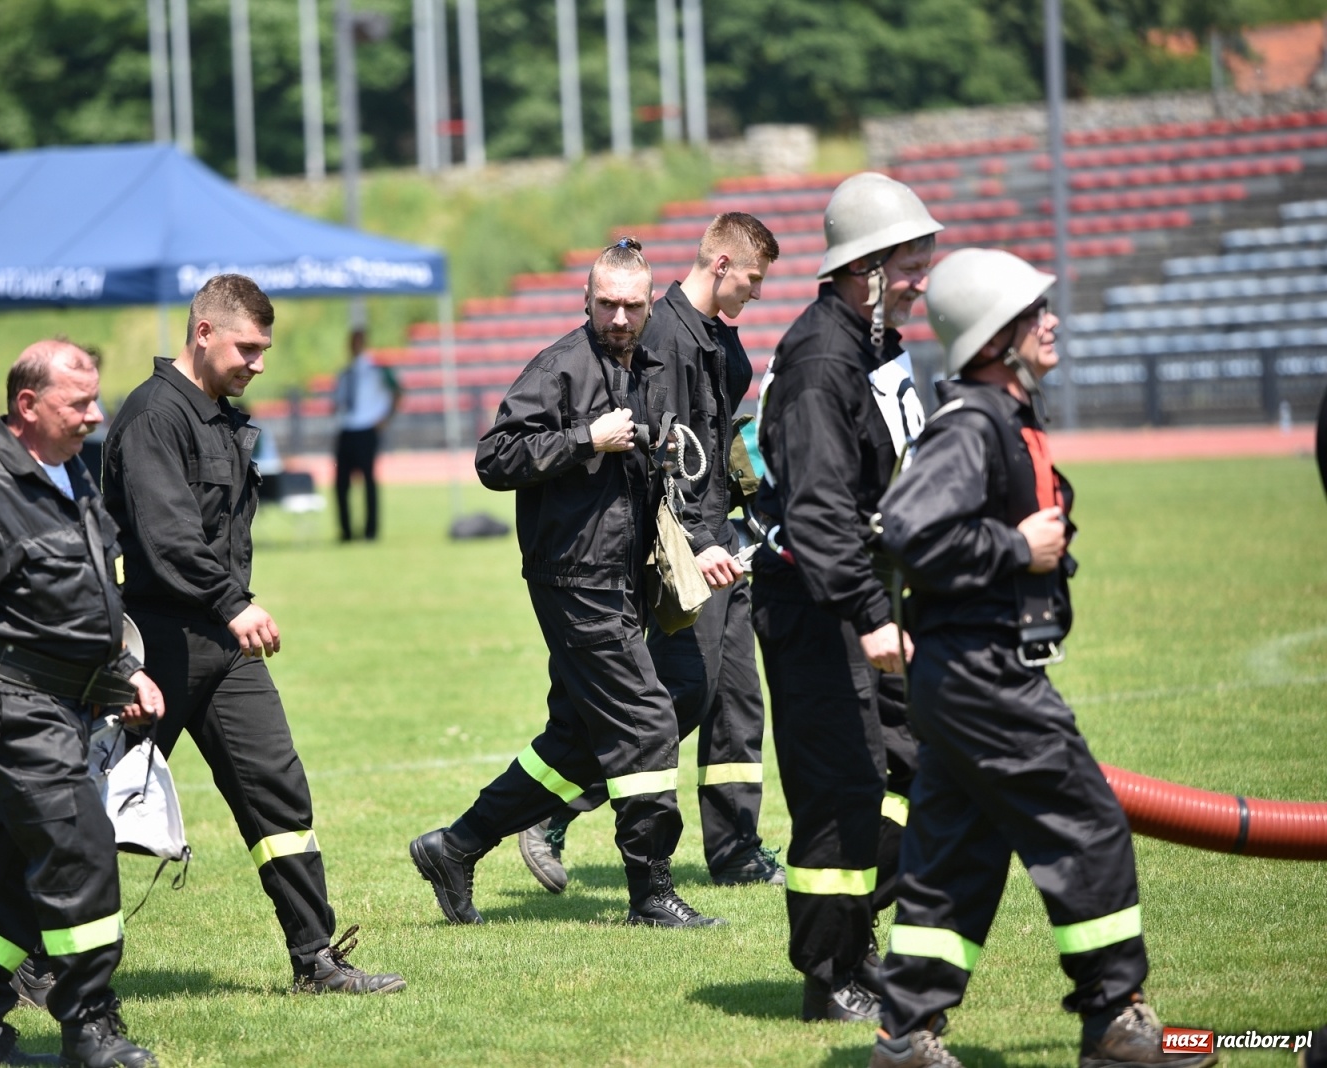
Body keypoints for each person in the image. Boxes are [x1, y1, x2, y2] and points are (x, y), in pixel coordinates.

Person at [869, 248, 1214, 1068]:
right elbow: (911, 529)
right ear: (994, 338)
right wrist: (1013, 545)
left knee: (955, 853)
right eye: (1033, 314)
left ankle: (903, 1037)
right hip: (985, 676)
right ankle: (1116, 1025)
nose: (1050, 322)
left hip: (961, 678)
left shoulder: (1006, 416)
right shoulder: (974, 422)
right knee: (1088, 824)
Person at [103, 274, 405, 995]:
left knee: (277, 792)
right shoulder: (154, 417)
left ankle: (316, 959)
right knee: (93, 801)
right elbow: (169, 539)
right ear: (202, 333)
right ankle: (17, 956)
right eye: (248, 347)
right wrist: (233, 603)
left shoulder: (219, 414)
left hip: (224, 644)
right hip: (157, 644)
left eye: (265, 349)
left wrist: (230, 611)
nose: (259, 363)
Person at [410, 239, 724, 930]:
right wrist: (585, 439)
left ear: (649, 306)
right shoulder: (558, 367)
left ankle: (454, 847)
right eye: (606, 303)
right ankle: (651, 893)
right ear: (586, 300)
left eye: (632, 305)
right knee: (648, 721)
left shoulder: (648, 365)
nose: (618, 317)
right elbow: (495, 459)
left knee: (578, 740)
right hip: (574, 579)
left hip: (624, 578)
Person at [0, 339, 161, 1067]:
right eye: (79, 404)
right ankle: (90, 1026)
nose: (95, 414)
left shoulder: (67, 470)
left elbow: (71, 602)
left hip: (67, 702)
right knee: (81, 852)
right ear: (27, 405)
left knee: (5, 869)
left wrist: (122, 674)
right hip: (11, 708)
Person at [517, 213, 786, 892]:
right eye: (753, 278)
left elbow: (711, 440)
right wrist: (693, 545)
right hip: (686, 545)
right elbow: (665, 458)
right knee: (674, 699)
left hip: (726, 537)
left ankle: (735, 850)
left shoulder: (713, 333)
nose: (757, 293)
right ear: (722, 264)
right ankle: (553, 807)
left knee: (736, 702)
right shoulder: (661, 332)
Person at [751, 172, 939, 1022]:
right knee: (837, 790)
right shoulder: (823, 357)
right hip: (820, 607)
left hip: (877, 599)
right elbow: (820, 509)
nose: (922, 277)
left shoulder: (877, 344)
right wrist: (869, 617)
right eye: (909, 261)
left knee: (916, 769)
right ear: (863, 266)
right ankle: (828, 979)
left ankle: (854, 930)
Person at [332, 328, 400, 541]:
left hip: (366, 429)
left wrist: (385, 418)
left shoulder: (378, 370)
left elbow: (397, 392)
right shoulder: (345, 373)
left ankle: (370, 531)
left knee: (369, 481)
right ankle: (346, 531)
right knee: (341, 483)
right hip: (347, 429)